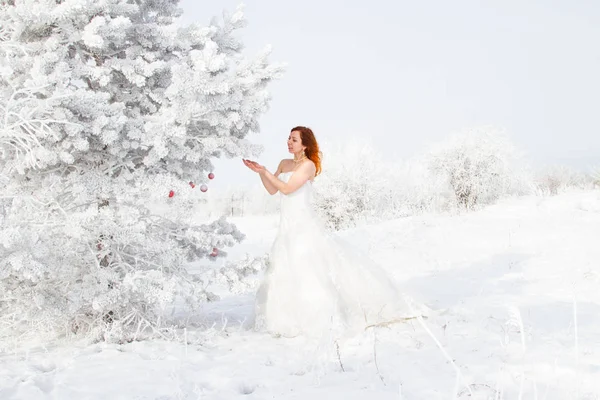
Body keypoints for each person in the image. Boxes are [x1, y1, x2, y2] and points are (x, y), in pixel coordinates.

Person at [243, 126, 426, 339]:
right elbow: (273, 189)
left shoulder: (308, 166)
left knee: (308, 268)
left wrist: (265, 172)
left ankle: (320, 317)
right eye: (288, 138)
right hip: (287, 227)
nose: (289, 142)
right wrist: (261, 172)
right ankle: (287, 319)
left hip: (304, 226)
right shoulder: (285, 164)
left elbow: (287, 189)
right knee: (285, 268)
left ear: (305, 144)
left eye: (294, 139)